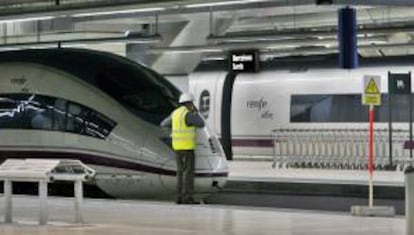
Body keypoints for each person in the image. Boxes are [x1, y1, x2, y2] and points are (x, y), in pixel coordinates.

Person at [160, 93, 204, 204]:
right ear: (189, 103)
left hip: (177, 148)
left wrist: (171, 135)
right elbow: (201, 123)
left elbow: (163, 124)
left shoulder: (175, 113)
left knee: (180, 173)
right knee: (188, 174)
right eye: (192, 103)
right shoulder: (188, 114)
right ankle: (187, 198)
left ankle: (179, 198)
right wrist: (196, 112)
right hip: (187, 148)